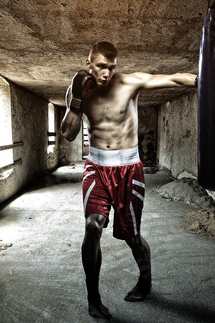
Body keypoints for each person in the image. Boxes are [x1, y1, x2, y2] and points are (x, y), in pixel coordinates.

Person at [61, 42, 197, 319]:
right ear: (88, 64)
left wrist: (203, 80)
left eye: (111, 67)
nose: (106, 73)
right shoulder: (79, 91)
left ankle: (145, 281)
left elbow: (170, 78)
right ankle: (93, 298)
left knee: (131, 236)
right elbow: (68, 134)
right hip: (97, 167)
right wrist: (76, 102)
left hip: (128, 170)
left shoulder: (128, 83)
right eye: (100, 66)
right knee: (92, 227)